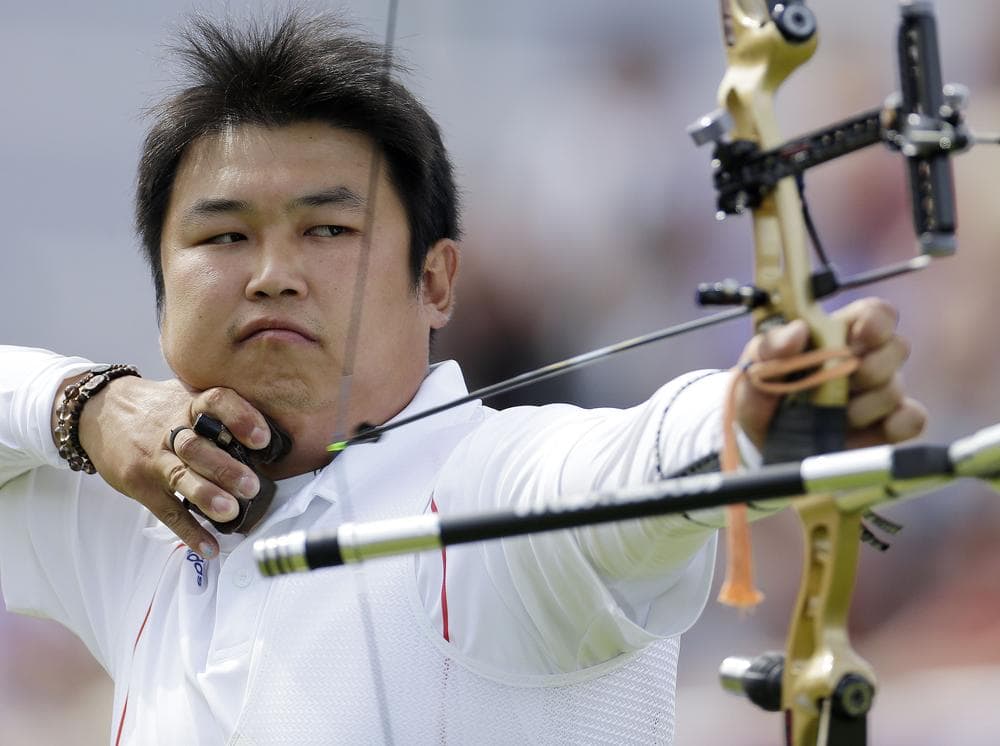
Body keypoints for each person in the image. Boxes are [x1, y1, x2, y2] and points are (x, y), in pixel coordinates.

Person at [0, 11, 924, 745]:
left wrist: (760, 413)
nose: (272, 272)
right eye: (222, 235)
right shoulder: (143, 524)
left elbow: (634, 462)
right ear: (160, 291)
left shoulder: (487, 495)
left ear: (436, 279)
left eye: (329, 229)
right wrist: (87, 408)